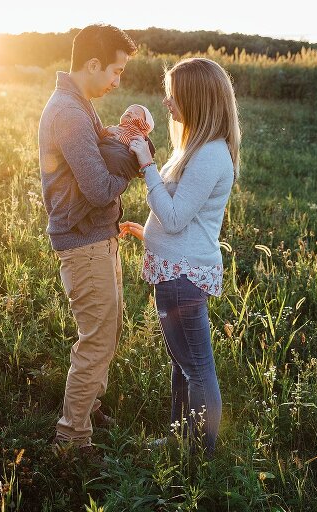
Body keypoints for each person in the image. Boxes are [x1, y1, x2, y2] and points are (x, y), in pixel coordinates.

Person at [120, 57, 241, 455]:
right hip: (176, 269)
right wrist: (147, 231)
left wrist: (146, 164)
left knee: (197, 369)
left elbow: (173, 219)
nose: (167, 103)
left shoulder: (209, 155)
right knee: (182, 365)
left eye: (173, 96)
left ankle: (199, 453)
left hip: (182, 277)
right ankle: (179, 439)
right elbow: (175, 212)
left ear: (196, 99)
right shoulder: (196, 148)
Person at [37, 24, 138, 451]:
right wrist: (135, 164)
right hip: (83, 242)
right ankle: (71, 440)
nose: (117, 81)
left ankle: (89, 406)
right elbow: (97, 188)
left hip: (98, 237)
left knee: (107, 331)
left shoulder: (81, 105)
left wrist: (119, 135)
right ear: (93, 64)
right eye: (115, 72)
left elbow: (95, 153)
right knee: (95, 339)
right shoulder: (69, 112)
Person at [68, 104, 156, 234]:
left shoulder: (140, 132)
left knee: (94, 192)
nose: (130, 112)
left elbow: (146, 152)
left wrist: (137, 146)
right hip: (106, 151)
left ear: (144, 122)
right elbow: (101, 135)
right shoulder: (117, 127)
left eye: (136, 112)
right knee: (87, 188)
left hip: (118, 157)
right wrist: (109, 130)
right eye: (127, 110)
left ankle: (80, 216)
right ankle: (80, 213)